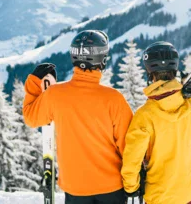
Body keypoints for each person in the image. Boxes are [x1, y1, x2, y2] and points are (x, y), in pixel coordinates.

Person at [23, 30, 133, 204]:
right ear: (102, 60)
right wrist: (134, 184)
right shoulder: (114, 99)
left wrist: (35, 82)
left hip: (76, 188)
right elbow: (129, 147)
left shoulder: (55, 95)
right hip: (111, 188)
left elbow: (31, 117)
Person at [121, 41, 191, 204]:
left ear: (149, 73)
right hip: (188, 191)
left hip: (160, 195)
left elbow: (132, 159)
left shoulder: (144, 116)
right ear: (175, 70)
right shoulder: (190, 105)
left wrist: (131, 188)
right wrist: (185, 93)